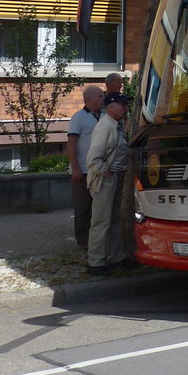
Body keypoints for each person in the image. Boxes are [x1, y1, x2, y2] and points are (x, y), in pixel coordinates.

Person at [85, 92, 132, 276]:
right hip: (106, 179)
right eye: (122, 105)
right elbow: (92, 159)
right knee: (101, 221)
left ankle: (115, 257)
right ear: (111, 107)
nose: (126, 108)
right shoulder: (105, 126)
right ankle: (96, 261)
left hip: (113, 176)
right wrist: (106, 171)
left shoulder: (113, 125)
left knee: (113, 219)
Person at [66, 85, 104, 250]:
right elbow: (71, 142)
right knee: (82, 207)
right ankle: (83, 240)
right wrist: (75, 167)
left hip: (100, 170)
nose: (103, 99)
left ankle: (97, 239)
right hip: (82, 170)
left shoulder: (104, 116)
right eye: (100, 96)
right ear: (88, 99)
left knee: (99, 207)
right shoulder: (79, 117)